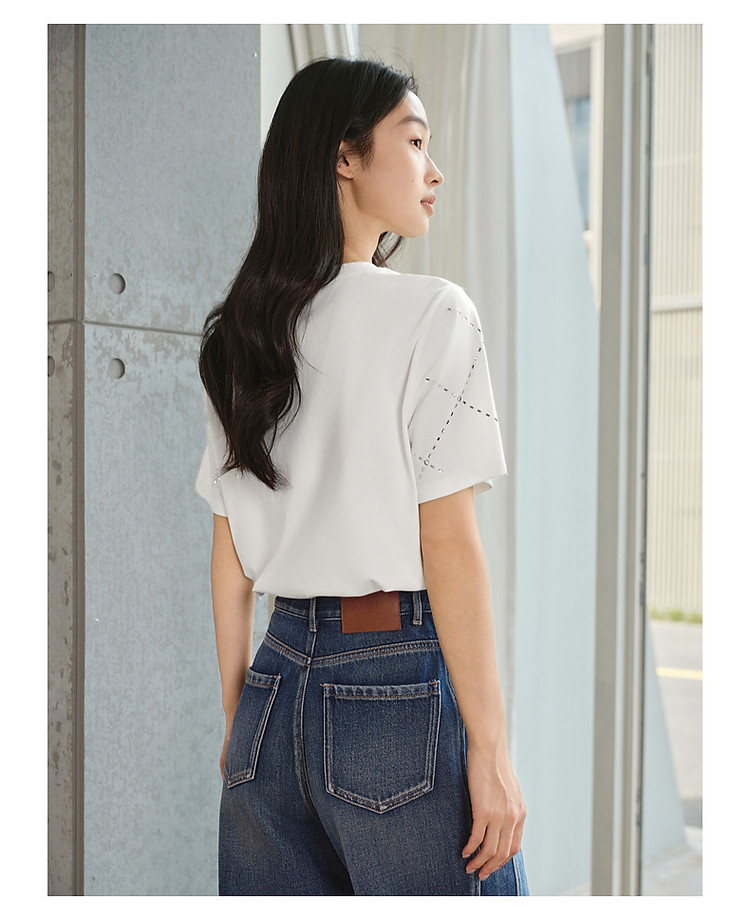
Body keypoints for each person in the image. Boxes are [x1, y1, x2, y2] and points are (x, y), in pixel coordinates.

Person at [195, 56, 528, 897]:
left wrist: (241, 719)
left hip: (271, 690)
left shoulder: (241, 336)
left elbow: (230, 559)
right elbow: (448, 543)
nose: (434, 170)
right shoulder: (433, 313)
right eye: (413, 142)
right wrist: (490, 749)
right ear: (345, 156)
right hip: (393, 690)